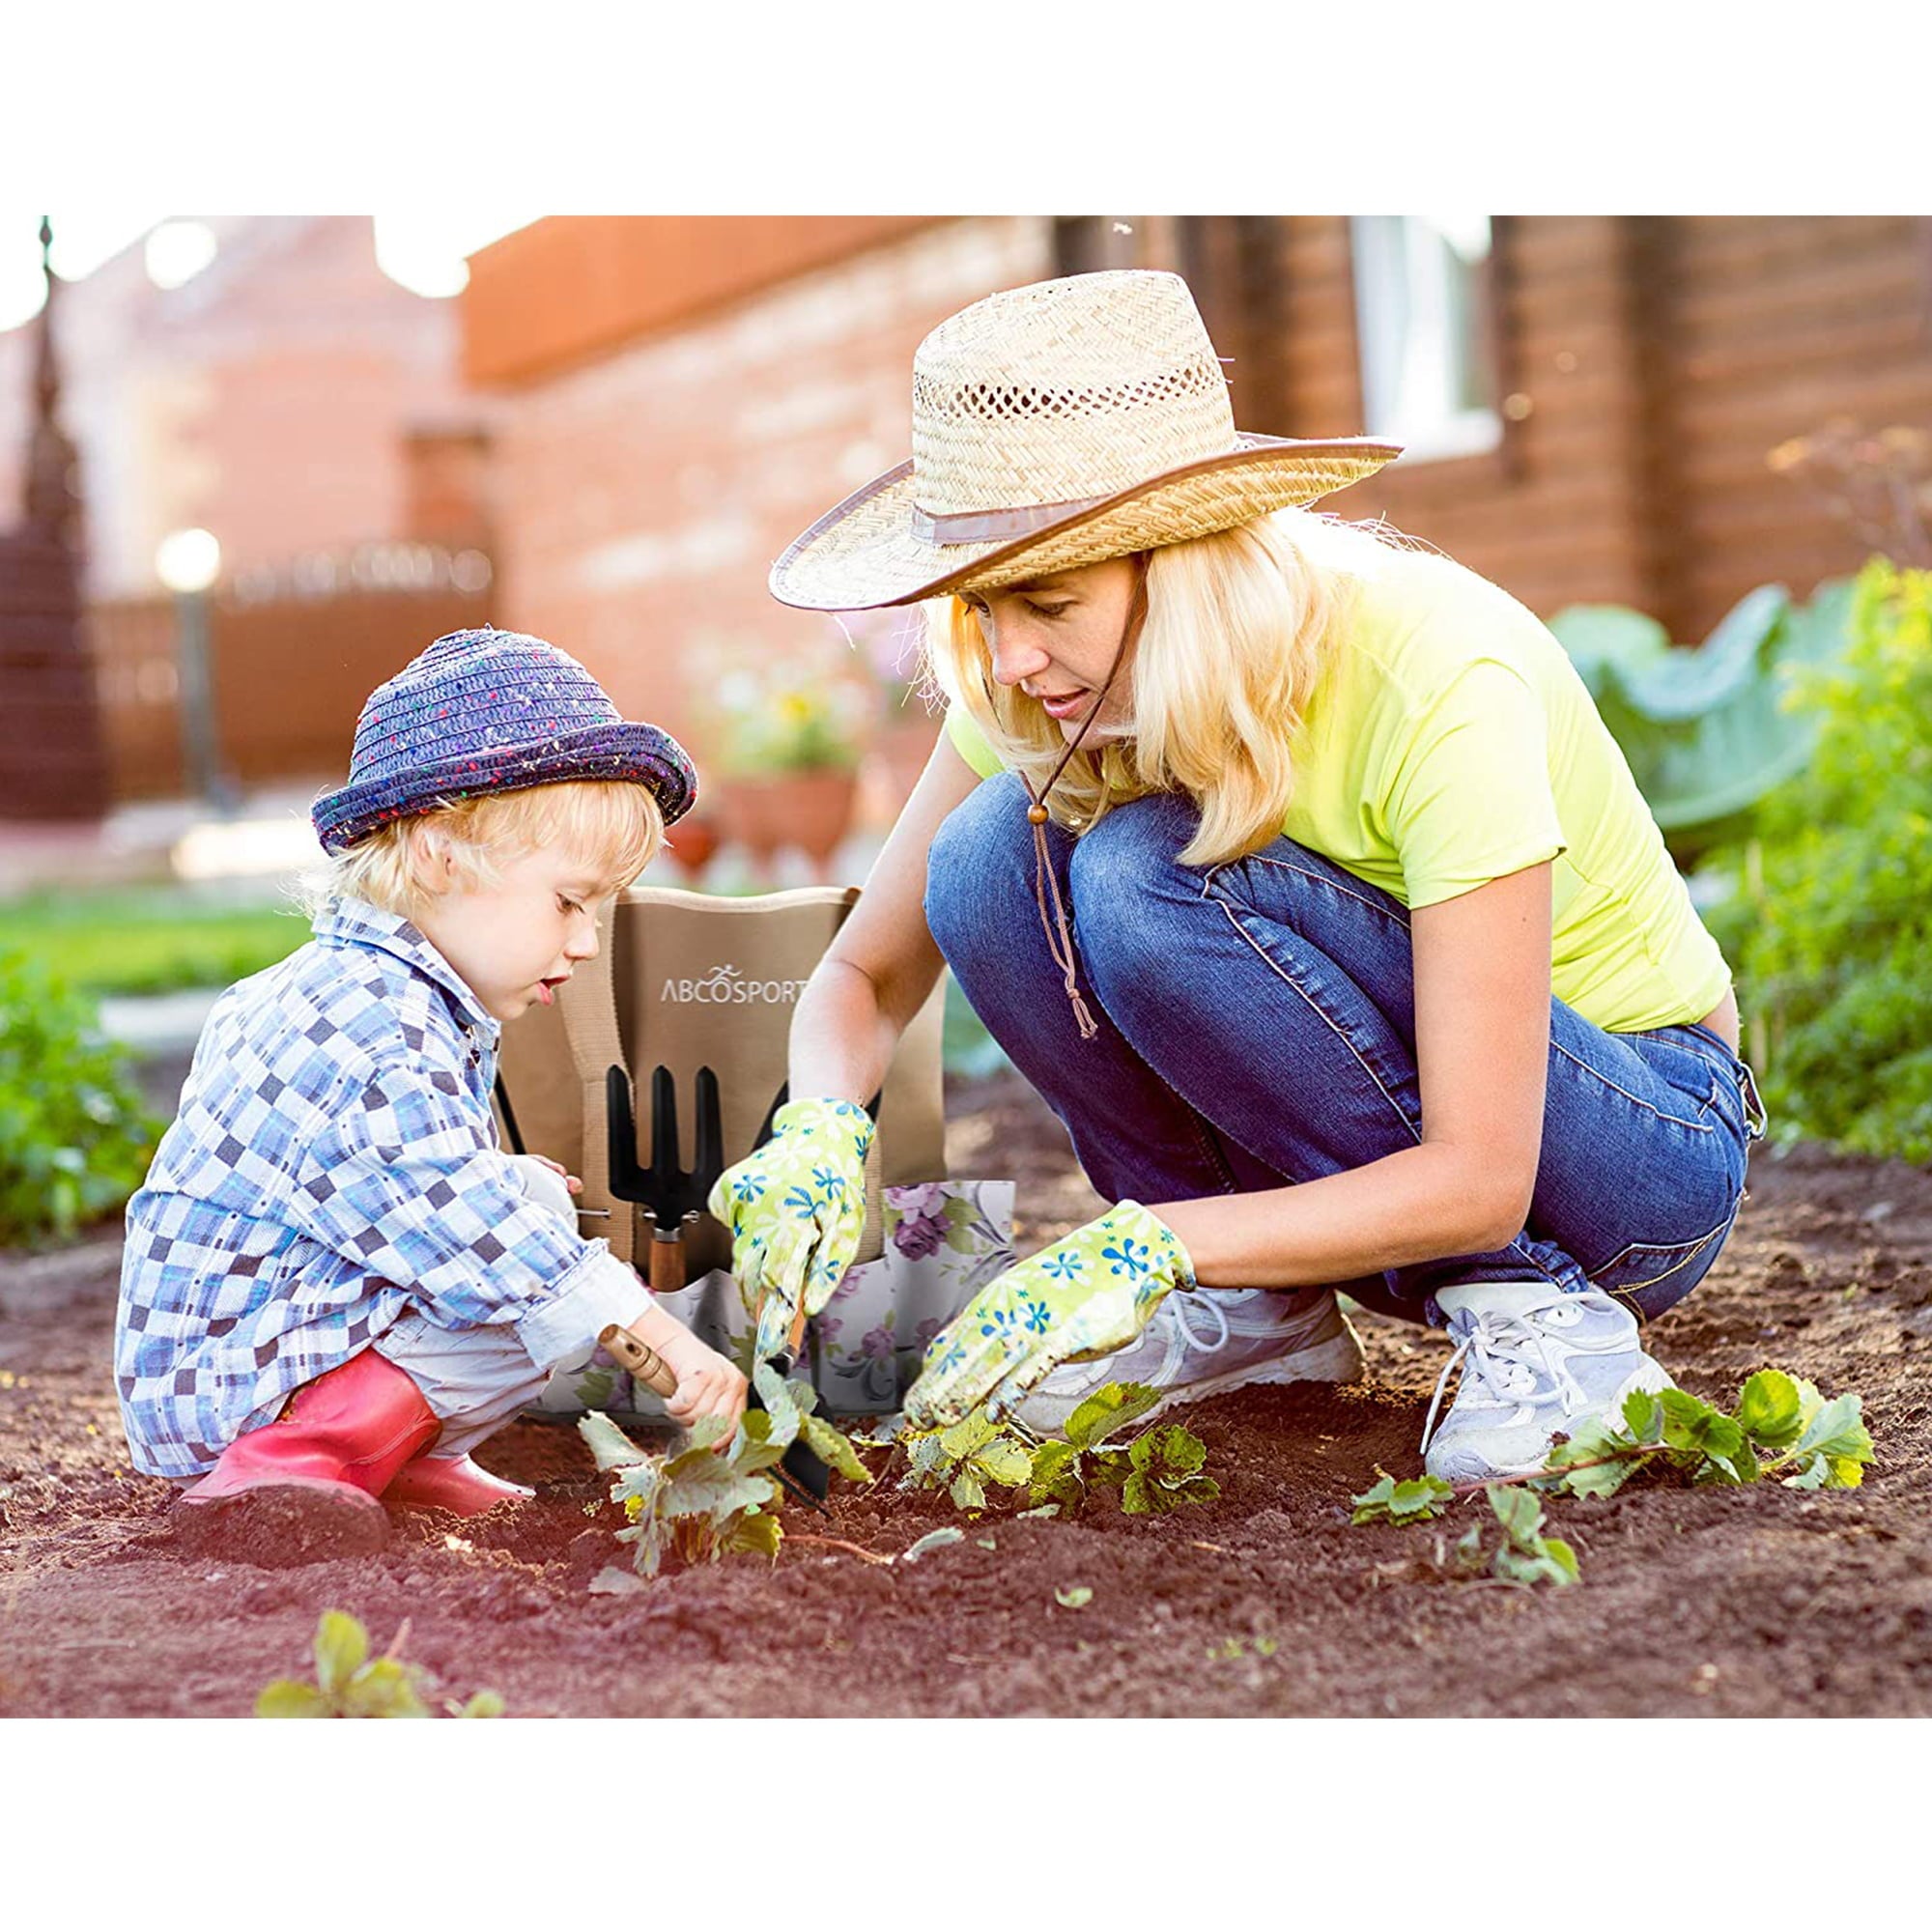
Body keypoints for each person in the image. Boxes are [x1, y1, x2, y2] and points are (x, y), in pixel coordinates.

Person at [710, 269, 1765, 1485]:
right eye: (983, 603)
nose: (1008, 653)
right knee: (989, 854)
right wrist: (821, 1126)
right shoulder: (1037, 680)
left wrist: (1143, 1243)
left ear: (1186, 566)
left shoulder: (1430, 668)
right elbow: (863, 970)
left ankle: (1545, 1324)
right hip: (1378, 1176)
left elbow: (1483, 1175)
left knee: (1139, 874)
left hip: (1628, 1154)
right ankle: (1263, 1313)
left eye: (1050, 600)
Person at [115, 627, 748, 1533]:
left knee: (528, 1199)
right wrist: (662, 1342)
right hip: (234, 1388)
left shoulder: (369, 987)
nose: (585, 940)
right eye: (568, 901)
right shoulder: (371, 1031)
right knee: (532, 1273)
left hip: (243, 1351)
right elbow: (488, 1248)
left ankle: (403, 1457)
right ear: (438, 855)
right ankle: (297, 1457)